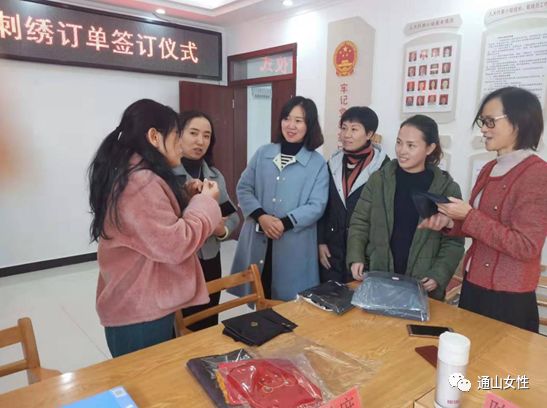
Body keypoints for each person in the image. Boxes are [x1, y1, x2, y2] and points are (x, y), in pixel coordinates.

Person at [89, 99, 221, 357]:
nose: (182, 145)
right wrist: (205, 202)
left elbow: (152, 229)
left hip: (141, 302)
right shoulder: (141, 182)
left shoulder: (133, 174)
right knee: (146, 379)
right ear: (154, 137)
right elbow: (175, 244)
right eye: (177, 137)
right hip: (139, 313)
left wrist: (185, 198)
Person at [419, 87, 547, 332]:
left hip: (508, 297)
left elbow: (526, 246)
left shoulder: (538, 174)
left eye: (490, 121)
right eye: (482, 122)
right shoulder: (490, 168)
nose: (484, 129)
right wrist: (450, 222)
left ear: (519, 122)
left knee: (500, 357)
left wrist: (468, 215)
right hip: (474, 284)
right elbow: (479, 227)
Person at [346, 115, 464, 300]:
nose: (402, 151)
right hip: (380, 277)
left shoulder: (446, 188)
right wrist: (356, 257)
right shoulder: (379, 180)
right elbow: (360, 222)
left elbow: (454, 241)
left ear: (430, 148)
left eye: (411, 145)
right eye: (399, 142)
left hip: (422, 285)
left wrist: (438, 275)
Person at [231, 96, 329, 301]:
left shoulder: (317, 163)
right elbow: (244, 188)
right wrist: (261, 217)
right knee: (260, 291)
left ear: (309, 125)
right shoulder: (263, 153)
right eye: (287, 118)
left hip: (293, 243)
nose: (291, 125)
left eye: (298, 120)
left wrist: (283, 223)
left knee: (288, 303)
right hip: (258, 236)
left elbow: (316, 205)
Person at [172, 111, 240, 330]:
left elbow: (233, 216)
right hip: (180, 262)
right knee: (180, 325)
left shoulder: (215, 176)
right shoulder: (167, 176)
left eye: (206, 135)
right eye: (193, 133)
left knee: (208, 320)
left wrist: (221, 230)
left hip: (210, 258)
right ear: (177, 135)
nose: (200, 141)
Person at [318, 107, 389, 283]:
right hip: (332, 251)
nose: (346, 135)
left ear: (369, 134)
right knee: (329, 295)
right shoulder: (332, 164)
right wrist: (320, 241)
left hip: (364, 254)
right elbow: (323, 205)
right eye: (344, 128)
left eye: (354, 129)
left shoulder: (384, 169)